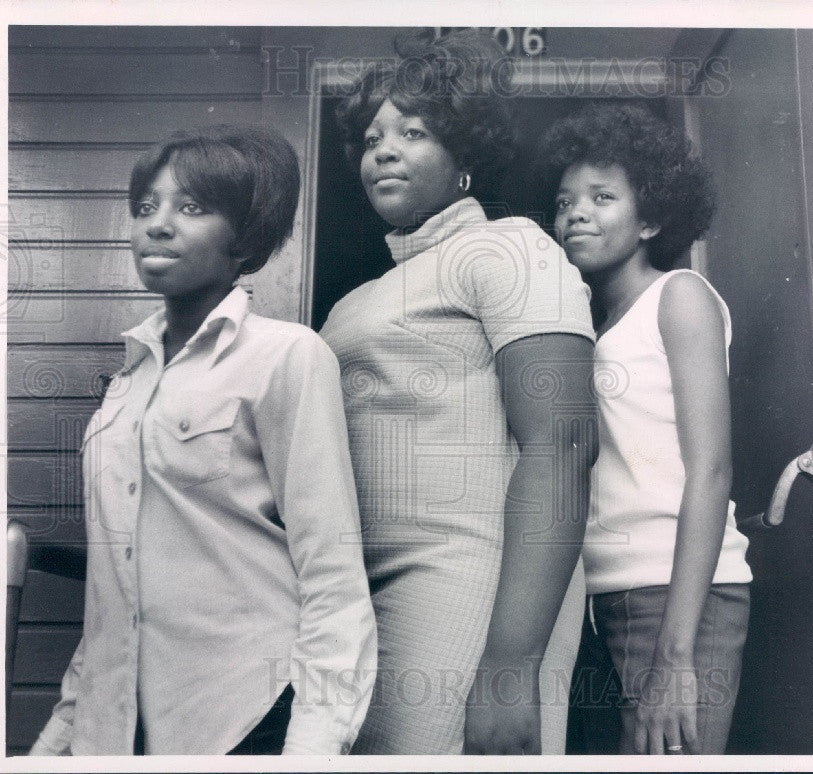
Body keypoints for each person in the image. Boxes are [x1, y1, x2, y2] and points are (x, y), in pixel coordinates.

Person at [29, 125, 376, 756]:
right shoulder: (125, 383)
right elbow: (115, 592)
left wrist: (312, 749)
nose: (157, 225)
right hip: (113, 731)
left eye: (191, 208)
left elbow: (333, 577)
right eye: (145, 208)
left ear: (243, 238)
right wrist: (58, 739)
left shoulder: (287, 357)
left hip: (243, 720)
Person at [320, 30, 598, 754]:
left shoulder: (512, 248)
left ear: (465, 152)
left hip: (472, 587)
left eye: (413, 132)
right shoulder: (356, 301)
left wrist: (509, 671)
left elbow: (563, 445)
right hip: (363, 599)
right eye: (373, 135)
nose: (383, 149)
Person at [537, 103, 752, 755]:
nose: (577, 212)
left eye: (603, 197)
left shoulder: (678, 295)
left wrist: (675, 659)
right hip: (609, 599)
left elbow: (711, 471)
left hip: (681, 596)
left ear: (652, 217)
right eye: (565, 200)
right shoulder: (594, 327)